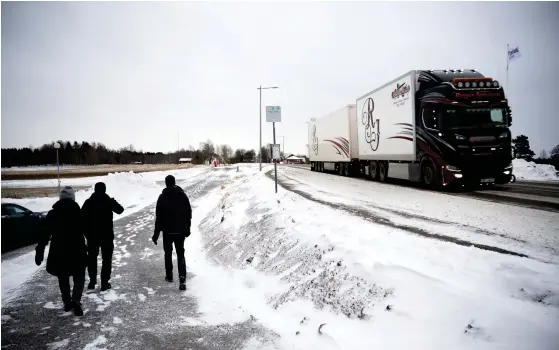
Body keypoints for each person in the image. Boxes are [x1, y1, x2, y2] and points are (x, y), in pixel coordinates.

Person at [35, 186, 88, 316]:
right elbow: (88, 231)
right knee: (79, 276)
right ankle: (76, 299)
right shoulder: (78, 212)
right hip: (77, 250)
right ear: (73, 198)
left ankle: (67, 302)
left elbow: (44, 234)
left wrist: (40, 251)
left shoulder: (53, 214)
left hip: (59, 251)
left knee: (63, 277)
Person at [81, 182, 124, 291]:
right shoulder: (108, 201)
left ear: (95, 190)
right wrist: (112, 201)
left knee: (92, 259)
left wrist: (86, 234)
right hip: (106, 236)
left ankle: (92, 281)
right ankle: (104, 282)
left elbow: (81, 218)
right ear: (104, 190)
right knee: (107, 260)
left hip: (92, 237)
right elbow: (120, 210)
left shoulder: (89, 202)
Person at [152, 175, 192, 290]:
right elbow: (188, 213)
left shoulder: (162, 197)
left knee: (168, 253)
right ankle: (182, 279)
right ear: (174, 182)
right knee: (180, 254)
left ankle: (169, 276)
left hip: (167, 232)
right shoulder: (182, 196)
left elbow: (158, 218)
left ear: (166, 183)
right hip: (180, 231)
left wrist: (156, 234)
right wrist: (187, 228)